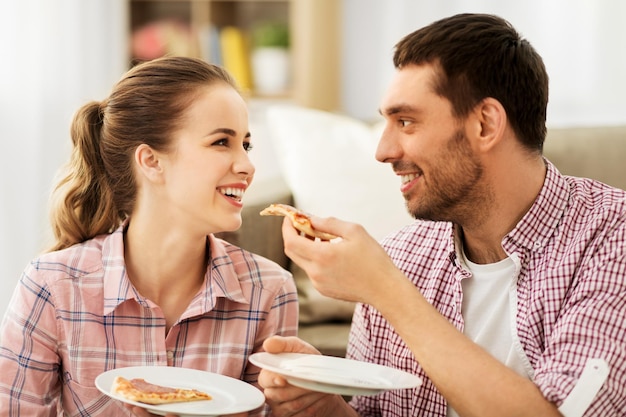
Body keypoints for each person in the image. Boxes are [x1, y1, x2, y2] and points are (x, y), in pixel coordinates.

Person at [258, 13, 626, 417]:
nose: (383, 151)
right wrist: (326, 407)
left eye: (406, 121)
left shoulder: (611, 238)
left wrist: (387, 290)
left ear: (485, 124)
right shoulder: (402, 256)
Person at [0, 56, 298, 416]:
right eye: (222, 142)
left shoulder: (270, 291)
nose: (247, 166)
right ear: (151, 161)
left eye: (245, 145)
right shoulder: (52, 285)